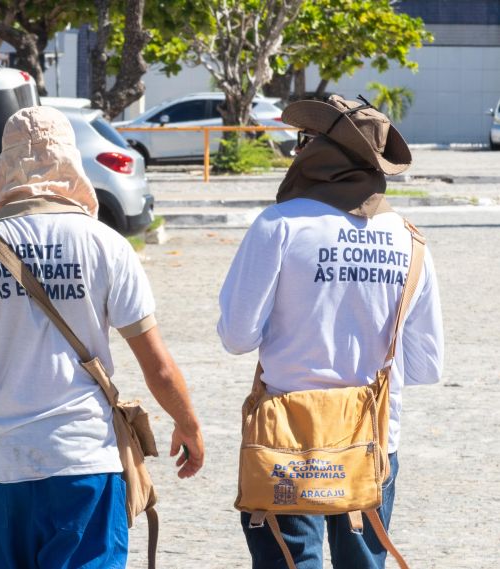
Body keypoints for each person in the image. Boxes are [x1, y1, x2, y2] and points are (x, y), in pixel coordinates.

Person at [0, 106, 205, 568]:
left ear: (5, 167)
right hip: (85, 460)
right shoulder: (106, 245)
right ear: (70, 162)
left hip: (3, 467)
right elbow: (155, 364)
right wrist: (189, 425)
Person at [217, 95, 444, 568]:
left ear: (318, 154)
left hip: (289, 437)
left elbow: (237, 337)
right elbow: (425, 367)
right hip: (374, 438)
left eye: (305, 142)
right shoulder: (410, 239)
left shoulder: (279, 225)